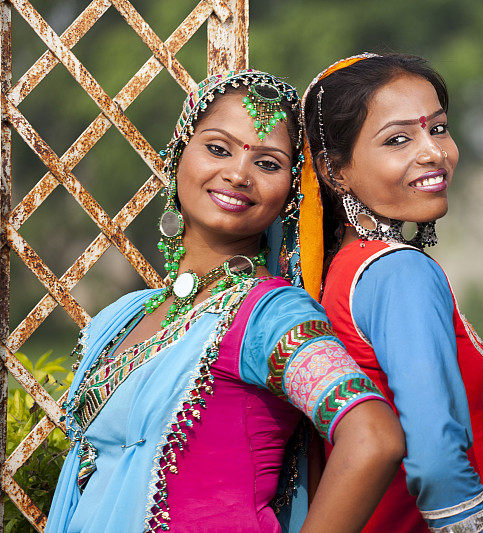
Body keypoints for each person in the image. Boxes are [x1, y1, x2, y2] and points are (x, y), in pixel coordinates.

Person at [46, 69, 404, 533]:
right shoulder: (122, 316)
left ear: (290, 193)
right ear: (178, 155)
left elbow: (373, 437)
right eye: (218, 148)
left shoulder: (268, 316)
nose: (238, 174)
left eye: (269, 164)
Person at [300, 54, 483, 533]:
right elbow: (437, 463)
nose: (433, 153)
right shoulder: (400, 273)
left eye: (438, 129)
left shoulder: (342, 272)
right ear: (335, 170)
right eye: (399, 139)